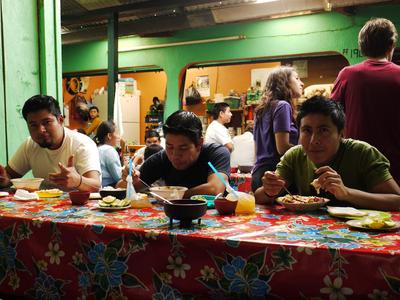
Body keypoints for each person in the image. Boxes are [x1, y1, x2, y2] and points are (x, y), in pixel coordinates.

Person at [255, 96, 400, 211]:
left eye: (323, 130)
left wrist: (347, 193)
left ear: (341, 134)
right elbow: (259, 197)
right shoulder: (295, 155)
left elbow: (396, 200)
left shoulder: (362, 153)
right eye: (307, 130)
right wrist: (269, 190)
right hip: (307, 237)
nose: (313, 141)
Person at [331, 18, 400, 185]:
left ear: (361, 46)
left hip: (355, 165)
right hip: (396, 168)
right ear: (391, 45)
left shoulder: (348, 75)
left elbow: (330, 115)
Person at [0, 95, 101, 192]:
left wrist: (78, 181)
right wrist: (4, 178)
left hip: (80, 207)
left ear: (60, 120)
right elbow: (8, 177)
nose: (41, 130)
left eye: (46, 122)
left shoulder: (82, 144)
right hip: (42, 207)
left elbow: (96, 185)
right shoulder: (30, 145)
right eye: (33, 125)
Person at [118, 110, 230, 198]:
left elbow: (215, 189)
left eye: (183, 147)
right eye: (169, 146)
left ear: (199, 143)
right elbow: (119, 188)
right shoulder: (161, 158)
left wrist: (174, 196)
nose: (175, 155)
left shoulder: (217, 153)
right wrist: (128, 179)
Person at [252, 66, 304, 192]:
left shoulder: (261, 109)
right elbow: (282, 148)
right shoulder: (283, 106)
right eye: (296, 78)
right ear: (284, 83)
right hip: (275, 175)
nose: (301, 83)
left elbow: (256, 149)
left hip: (259, 173)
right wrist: (306, 151)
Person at [96, 121, 122, 187]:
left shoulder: (97, 148)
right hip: (107, 188)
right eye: (117, 133)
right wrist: (134, 163)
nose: (119, 137)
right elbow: (119, 177)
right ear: (109, 135)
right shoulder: (109, 150)